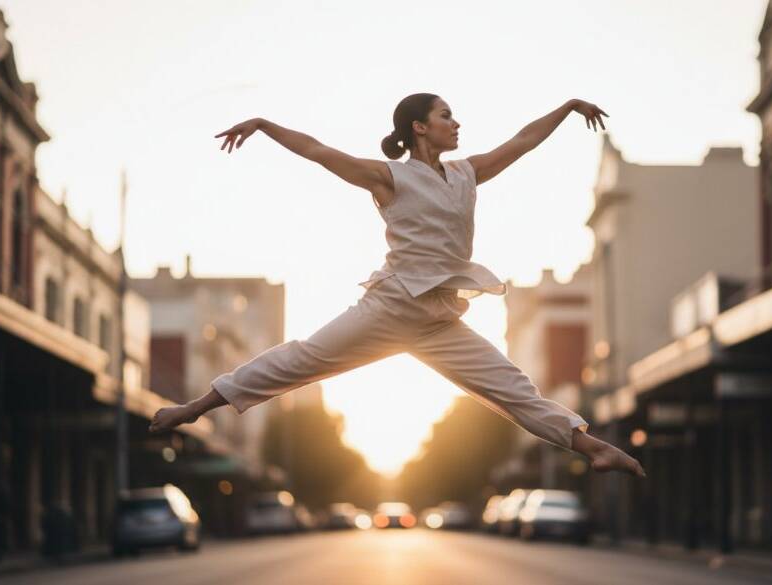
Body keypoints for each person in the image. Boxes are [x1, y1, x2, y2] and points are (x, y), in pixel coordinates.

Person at [150, 93, 644, 477]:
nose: (457, 124)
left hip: (438, 318)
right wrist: (263, 124)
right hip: (389, 308)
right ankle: (193, 409)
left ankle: (594, 447)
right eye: (447, 115)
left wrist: (567, 108)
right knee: (301, 359)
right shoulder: (389, 177)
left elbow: (522, 140)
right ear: (419, 127)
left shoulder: (467, 174)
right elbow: (319, 151)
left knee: (512, 387)